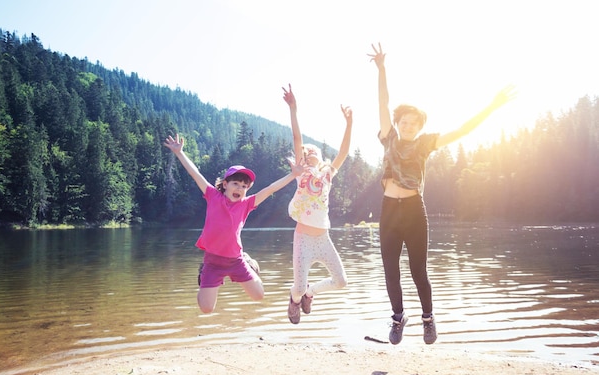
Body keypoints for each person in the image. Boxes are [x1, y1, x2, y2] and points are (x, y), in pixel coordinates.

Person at [368, 43, 516, 345]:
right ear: (397, 125)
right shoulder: (389, 139)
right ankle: (398, 318)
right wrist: (382, 69)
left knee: (418, 269)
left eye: (414, 123)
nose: (408, 126)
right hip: (388, 210)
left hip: (413, 211)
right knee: (390, 270)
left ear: (422, 126)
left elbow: (463, 131)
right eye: (403, 122)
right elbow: (383, 104)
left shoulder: (426, 143)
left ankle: (428, 318)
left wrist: (492, 106)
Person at [164, 133, 303, 313]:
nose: (240, 188)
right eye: (236, 183)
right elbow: (195, 173)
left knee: (259, 295)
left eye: (244, 187)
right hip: (212, 262)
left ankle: (249, 262)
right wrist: (179, 153)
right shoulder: (213, 195)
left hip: (236, 260)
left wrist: (293, 175)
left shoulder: (246, 204)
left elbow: (270, 189)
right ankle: (203, 275)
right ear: (225, 184)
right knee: (206, 309)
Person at [281, 84, 352, 324]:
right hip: (303, 239)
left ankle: (311, 293)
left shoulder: (328, 175)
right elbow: (297, 137)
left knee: (341, 281)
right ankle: (296, 298)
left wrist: (349, 124)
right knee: (297, 286)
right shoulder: (301, 174)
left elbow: (343, 152)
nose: (309, 154)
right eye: (305, 153)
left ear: (320, 159)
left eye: (313, 153)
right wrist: (294, 109)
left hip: (323, 238)